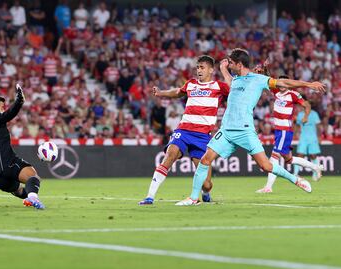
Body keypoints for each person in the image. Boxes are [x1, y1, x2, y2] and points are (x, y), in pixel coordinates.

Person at [176, 48, 325, 206]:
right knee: (205, 159)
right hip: (226, 131)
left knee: (266, 166)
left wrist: (308, 84)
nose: (229, 64)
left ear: (239, 64)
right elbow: (228, 79)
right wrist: (222, 68)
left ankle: (296, 180)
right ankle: (193, 198)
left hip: (245, 131)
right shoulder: (235, 80)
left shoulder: (258, 79)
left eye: (231, 62)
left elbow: (284, 82)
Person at [138, 55, 229, 205]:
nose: (199, 70)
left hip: (203, 136)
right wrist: (161, 93)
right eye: (198, 67)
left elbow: (235, 91)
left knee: (207, 184)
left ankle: (206, 193)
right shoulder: (191, 84)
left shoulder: (219, 86)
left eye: (202, 67)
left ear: (211, 70)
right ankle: (149, 196)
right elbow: (177, 92)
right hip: (184, 130)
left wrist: (226, 71)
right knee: (170, 155)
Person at [256, 76, 323, 193]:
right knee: (289, 160)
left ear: (288, 84)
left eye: (283, 83)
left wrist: (306, 116)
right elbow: (270, 80)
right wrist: (265, 70)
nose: (281, 85)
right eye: (279, 83)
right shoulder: (276, 92)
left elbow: (307, 105)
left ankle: (268, 187)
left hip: (284, 130)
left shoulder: (293, 94)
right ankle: (316, 167)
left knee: (274, 157)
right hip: (278, 131)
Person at [293, 106, 323, 180]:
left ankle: (315, 174)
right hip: (303, 137)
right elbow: (297, 125)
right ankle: (295, 174)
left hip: (313, 138)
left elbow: (318, 126)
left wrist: (319, 136)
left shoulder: (314, 114)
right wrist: (294, 134)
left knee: (313, 156)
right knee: (300, 155)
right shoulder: (300, 114)